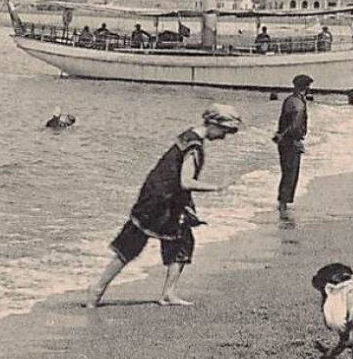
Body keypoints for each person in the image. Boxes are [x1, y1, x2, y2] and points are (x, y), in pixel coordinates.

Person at [85, 106, 243, 307]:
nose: (224, 137)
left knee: (177, 240)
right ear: (214, 124)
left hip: (157, 194)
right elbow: (185, 181)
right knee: (134, 245)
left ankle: (166, 293)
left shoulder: (188, 135)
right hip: (162, 200)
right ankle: (98, 288)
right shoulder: (194, 146)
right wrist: (217, 187)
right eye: (225, 131)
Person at [274, 74, 313, 212]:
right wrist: (296, 140)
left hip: (285, 140)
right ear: (306, 87)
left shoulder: (291, 100)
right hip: (290, 141)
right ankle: (283, 203)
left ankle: (283, 202)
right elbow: (295, 125)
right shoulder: (298, 103)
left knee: (287, 171)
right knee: (291, 172)